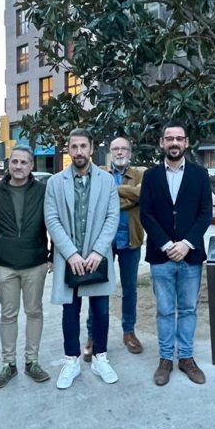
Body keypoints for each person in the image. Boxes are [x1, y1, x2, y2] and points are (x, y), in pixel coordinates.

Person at [44, 129, 120, 389]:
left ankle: (100, 357)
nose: (78, 151)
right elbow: (51, 219)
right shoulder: (55, 182)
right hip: (70, 257)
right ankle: (71, 360)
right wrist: (71, 253)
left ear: (91, 149)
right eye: (73, 146)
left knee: (100, 309)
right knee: (70, 310)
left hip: (97, 257)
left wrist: (98, 251)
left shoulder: (107, 181)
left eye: (83, 146)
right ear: (68, 150)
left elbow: (113, 217)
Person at [140, 122, 213, 386]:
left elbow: (205, 213)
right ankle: (165, 359)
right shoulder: (150, 176)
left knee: (188, 309)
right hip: (161, 256)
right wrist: (166, 244)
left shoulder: (199, 174)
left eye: (178, 138)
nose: (173, 143)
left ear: (186, 143)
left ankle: (186, 358)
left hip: (190, 256)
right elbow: (145, 214)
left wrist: (186, 243)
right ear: (161, 143)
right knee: (164, 310)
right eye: (169, 138)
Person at [0, 146, 51, 388]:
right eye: (15, 162)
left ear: (32, 165)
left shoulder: (43, 191)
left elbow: (52, 224)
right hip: (5, 265)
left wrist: (52, 255)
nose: (19, 166)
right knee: (8, 314)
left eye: (24, 162)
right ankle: (8, 364)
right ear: (8, 164)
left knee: (34, 312)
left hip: (35, 262)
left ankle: (32, 361)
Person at [86, 136, 146, 356]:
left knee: (130, 288)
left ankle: (128, 332)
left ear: (130, 152)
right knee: (96, 286)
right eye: (116, 149)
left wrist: (114, 191)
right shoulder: (99, 173)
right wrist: (130, 196)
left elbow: (142, 194)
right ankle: (92, 336)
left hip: (131, 239)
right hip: (103, 242)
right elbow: (97, 202)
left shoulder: (142, 174)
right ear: (110, 152)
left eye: (124, 149)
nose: (120, 152)